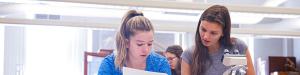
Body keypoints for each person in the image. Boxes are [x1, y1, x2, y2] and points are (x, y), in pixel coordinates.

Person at [180, 5, 255, 75]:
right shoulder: (189, 55)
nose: (205, 36)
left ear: (223, 33)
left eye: (213, 33)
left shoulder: (238, 46)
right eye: (203, 29)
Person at [98, 10, 171, 75]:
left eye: (149, 44)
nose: (146, 50)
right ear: (127, 43)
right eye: (140, 44)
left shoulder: (161, 64)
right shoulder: (109, 65)